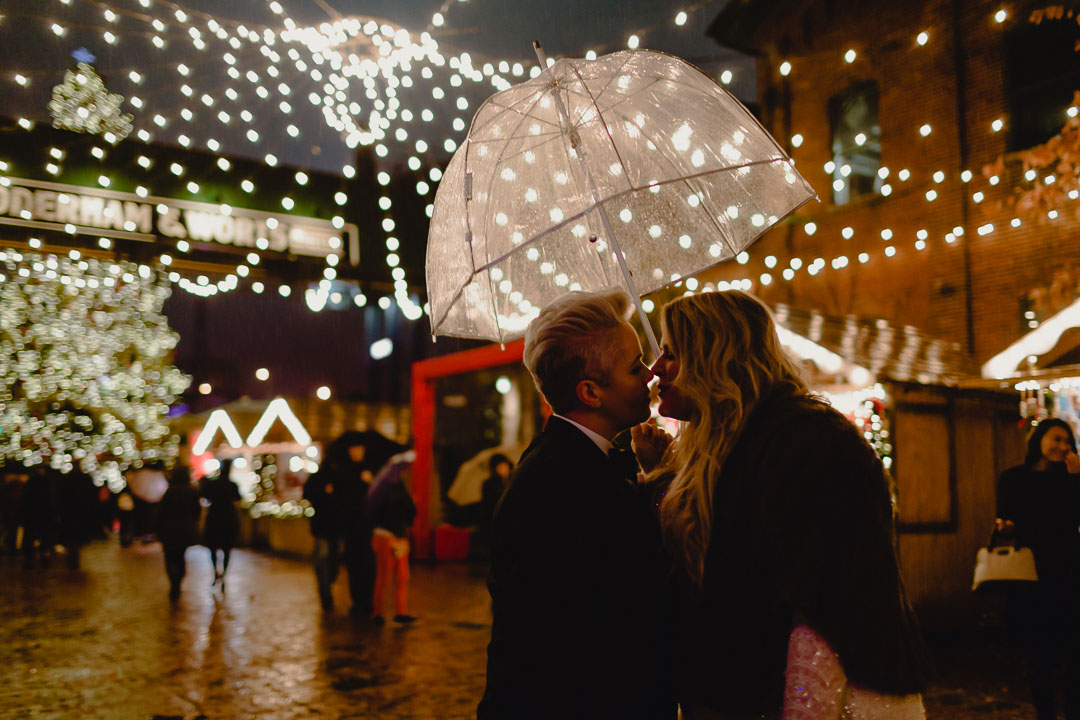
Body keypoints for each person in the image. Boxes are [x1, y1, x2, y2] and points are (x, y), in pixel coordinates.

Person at [643, 290, 928, 720]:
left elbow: (815, 595)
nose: (655, 368)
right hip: (725, 693)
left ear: (713, 356)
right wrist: (659, 475)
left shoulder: (805, 440)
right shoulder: (714, 448)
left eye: (670, 352)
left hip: (781, 698)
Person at [477, 288, 675, 720]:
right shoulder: (559, 483)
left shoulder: (581, 461)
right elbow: (617, 617)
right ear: (591, 392)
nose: (651, 374)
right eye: (634, 366)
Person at [995, 417, 1080, 720]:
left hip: (1070, 572)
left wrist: (1075, 478)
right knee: (1038, 654)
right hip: (1029, 574)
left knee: (1074, 653)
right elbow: (1004, 516)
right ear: (1039, 439)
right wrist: (1005, 527)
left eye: (1067, 441)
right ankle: (1044, 713)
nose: (1062, 447)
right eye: (1056, 439)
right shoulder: (1013, 478)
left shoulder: (1072, 476)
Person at [367, 451, 418, 624]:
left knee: (401, 577)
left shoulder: (395, 488)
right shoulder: (380, 489)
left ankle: (398, 611)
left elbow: (411, 510)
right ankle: (379, 612)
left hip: (398, 538)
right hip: (385, 537)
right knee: (386, 575)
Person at [157, 441, 201, 601]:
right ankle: (178, 582)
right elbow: (197, 511)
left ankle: (173, 582)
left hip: (169, 529)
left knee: (170, 557)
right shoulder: (192, 491)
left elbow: (162, 512)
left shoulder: (170, 492)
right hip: (184, 529)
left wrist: (158, 529)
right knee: (181, 556)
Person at [201, 458, 242, 590]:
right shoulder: (232, 485)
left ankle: (216, 572)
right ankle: (223, 574)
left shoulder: (213, 484)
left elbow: (204, 496)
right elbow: (238, 498)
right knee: (226, 549)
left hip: (214, 517)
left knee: (213, 548)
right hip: (228, 518)